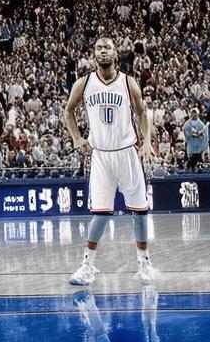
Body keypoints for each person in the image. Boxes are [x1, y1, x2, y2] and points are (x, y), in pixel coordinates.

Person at [65, 37, 157, 286]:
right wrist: (77, 138)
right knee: (101, 214)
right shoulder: (84, 83)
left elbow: (142, 113)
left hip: (127, 152)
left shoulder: (128, 82)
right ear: (94, 55)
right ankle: (87, 266)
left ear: (116, 54)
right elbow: (68, 111)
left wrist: (146, 142)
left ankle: (144, 263)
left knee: (140, 211)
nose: (103, 51)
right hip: (101, 156)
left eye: (107, 47)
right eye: (99, 47)